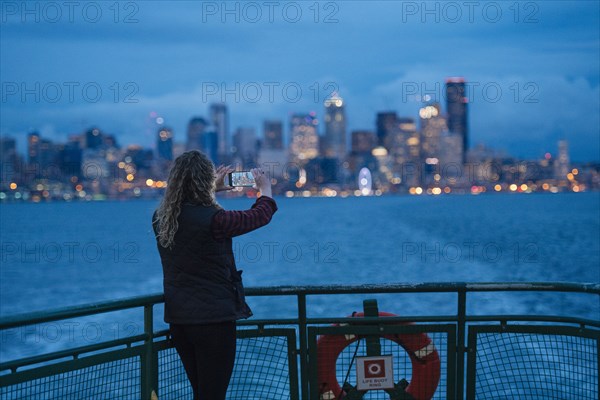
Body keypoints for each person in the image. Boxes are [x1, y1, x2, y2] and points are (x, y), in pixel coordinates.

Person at [152, 150, 277, 400]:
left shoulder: (160, 219)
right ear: (205, 180)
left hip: (180, 322)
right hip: (214, 322)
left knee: (202, 392)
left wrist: (211, 190)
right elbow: (259, 216)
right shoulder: (215, 220)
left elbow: (190, 211)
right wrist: (265, 188)